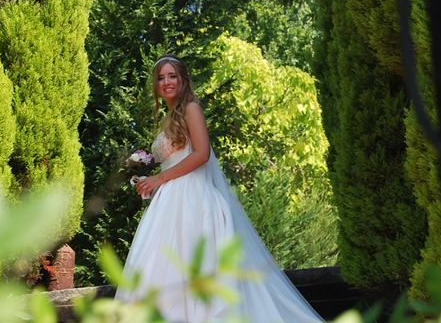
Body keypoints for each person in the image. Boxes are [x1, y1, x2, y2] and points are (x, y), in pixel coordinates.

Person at [115, 54, 325, 322]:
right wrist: (152, 180)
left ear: (183, 79)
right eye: (160, 77)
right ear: (155, 85)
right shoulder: (169, 117)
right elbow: (178, 159)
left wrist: (159, 178)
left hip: (194, 201)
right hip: (170, 202)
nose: (166, 81)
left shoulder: (191, 108)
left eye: (172, 76)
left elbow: (202, 154)